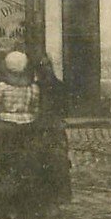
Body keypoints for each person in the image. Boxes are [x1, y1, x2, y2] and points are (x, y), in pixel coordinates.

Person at [0, 50, 40, 217]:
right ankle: (24, 204)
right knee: (24, 166)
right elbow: (35, 109)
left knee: (3, 166)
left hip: (5, 130)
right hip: (27, 129)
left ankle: (5, 205)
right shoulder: (32, 87)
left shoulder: (2, 87)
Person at [34, 54, 72, 208]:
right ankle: (54, 197)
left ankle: (52, 197)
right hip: (50, 127)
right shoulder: (55, 86)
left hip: (48, 128)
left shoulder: (37, 87)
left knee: (53, 160)